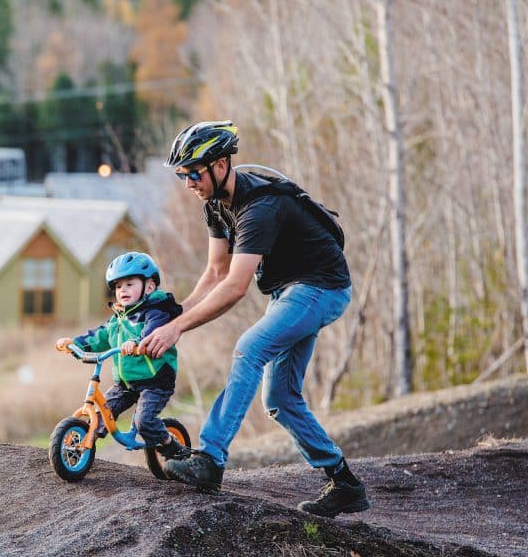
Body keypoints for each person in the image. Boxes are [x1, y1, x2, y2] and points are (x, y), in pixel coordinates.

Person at [139, 120, 370, 518]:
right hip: (289, 292)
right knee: (279, 398)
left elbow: (235, 287)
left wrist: (179, 328)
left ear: (222, 164)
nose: (189, 182)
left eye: (194, 172)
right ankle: (345, 483)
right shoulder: (215, 205)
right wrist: (175, 316)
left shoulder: (259, 207)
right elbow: (214, 272)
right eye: (183, 174)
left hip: (322, 287)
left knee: (250, 348)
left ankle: (210, 459)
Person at [55, 252, 191, 460]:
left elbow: (153, 330)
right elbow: (100, 336)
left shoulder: (156, 311)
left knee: (144, 421)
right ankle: (79, 450)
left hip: (155, 380)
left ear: (150, 286)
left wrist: (137, 342)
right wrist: (76, 344)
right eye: (118, 286)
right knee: (100, 413)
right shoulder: (118, 318)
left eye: (129, 284)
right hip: (126, 383)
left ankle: (172, 447)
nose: (123, 290)